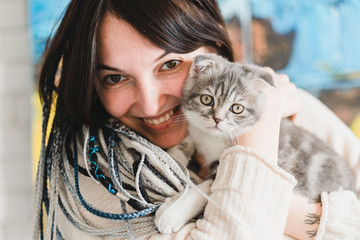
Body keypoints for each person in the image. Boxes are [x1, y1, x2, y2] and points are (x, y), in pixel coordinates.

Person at [33, 0, 360, 239]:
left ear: (215, 50)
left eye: (170, 65)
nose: (149, 104)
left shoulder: (287, 103)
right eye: (116, 78)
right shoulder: (97, 175)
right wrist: (256, 138)